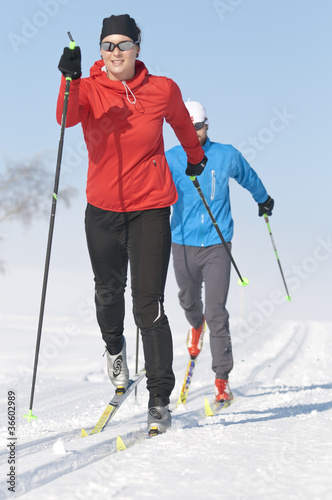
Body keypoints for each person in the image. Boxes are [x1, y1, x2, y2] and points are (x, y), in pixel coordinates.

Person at [56, 15, 207, 434]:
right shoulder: (86, 89)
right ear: (100, 51)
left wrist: (195, 158)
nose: (115, 52)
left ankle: (159, 397)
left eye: (123, 44)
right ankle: (114, 349)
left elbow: (181, 126)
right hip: (102, 209)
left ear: (139, 47)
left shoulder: (162, 89)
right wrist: (68, 80)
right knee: (107, 293)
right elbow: (66, 119)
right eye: (108, 45)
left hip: (150, 208)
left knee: (148, 305)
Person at [166, 100, 274, 402]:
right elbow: (152, 188)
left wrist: (262, 198)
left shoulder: (226, 154)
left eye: (198, 126)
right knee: (188, 301)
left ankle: (222, 380)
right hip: (182, 241)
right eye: (187, 127)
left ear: (206, 125)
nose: (194, 132)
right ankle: (194, 326)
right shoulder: (171, 158)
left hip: (217, 243)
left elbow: (248, 176)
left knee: (217, 311)